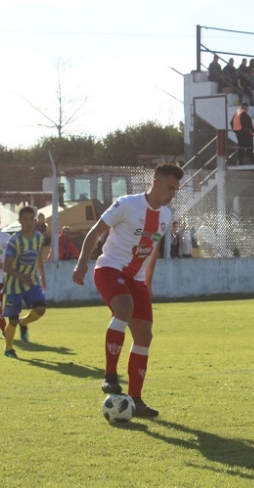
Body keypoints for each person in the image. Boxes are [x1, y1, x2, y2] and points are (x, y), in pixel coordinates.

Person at [73, 163, 184, 419]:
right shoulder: (127, 204)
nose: (172, 193)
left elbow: (153, 249)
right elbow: (96, 231)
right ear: (155, 183)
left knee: (144, 336)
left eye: (176, 189)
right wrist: (81, 264)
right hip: (110, 269)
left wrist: (148, 282)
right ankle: (110, 375)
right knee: (124, 308)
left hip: (136, 279)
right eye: (170, 187)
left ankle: (136, 400)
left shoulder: (166, 215)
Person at [1, 206, 47, 358]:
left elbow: (38, 255)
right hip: (14, 284)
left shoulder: (38, 237)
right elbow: (6, 266)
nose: (28, 223)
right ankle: (8, 348)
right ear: (20, 221)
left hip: (32, 281)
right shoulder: (14, 241)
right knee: (12, 319)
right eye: (25, 220)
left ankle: (24, 322)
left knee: (40, 309)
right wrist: (21, 276)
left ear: (34, 221)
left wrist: (42, 276)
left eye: (31, 220)